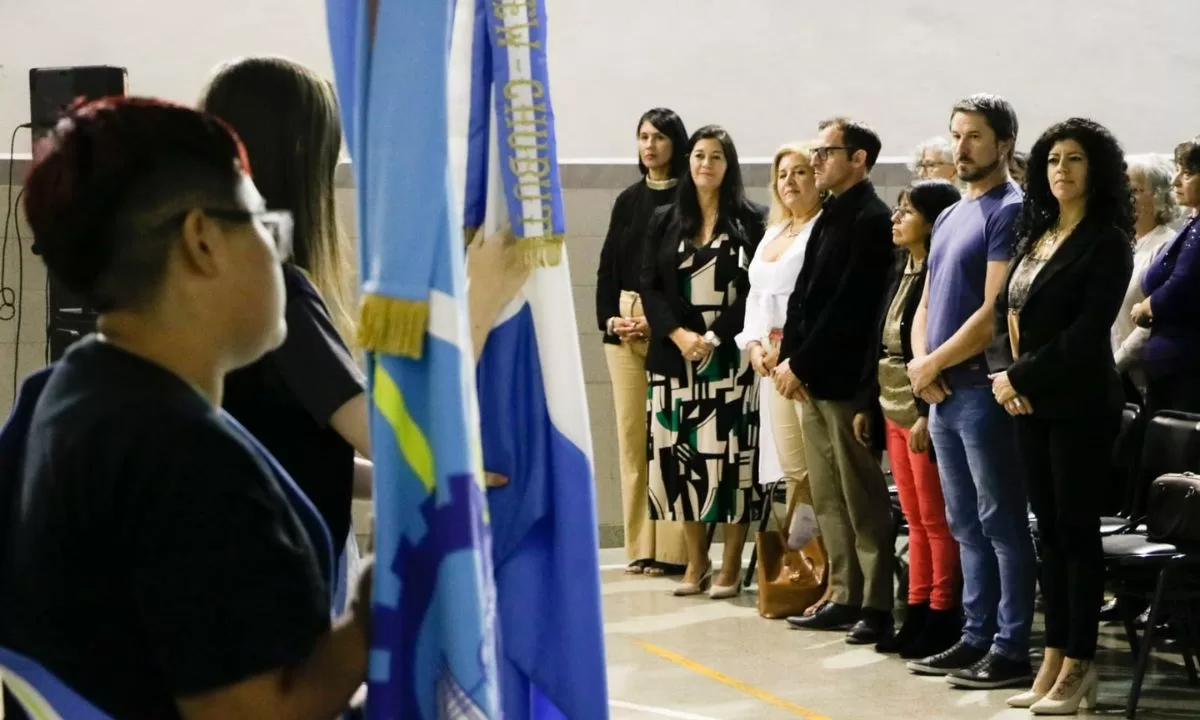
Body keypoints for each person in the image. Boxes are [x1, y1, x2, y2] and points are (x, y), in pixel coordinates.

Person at [0, 98, 368, 719]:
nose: (278, 254)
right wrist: (369, 617)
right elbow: (253, 713)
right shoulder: (187, 461)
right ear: (203, 240)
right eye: (264, 225)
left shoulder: (55, 396)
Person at [199, 56, 371, 611]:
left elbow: (280, 447)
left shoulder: (197, 279)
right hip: (285, 576)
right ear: (300, 155)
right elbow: (386, 438)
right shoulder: (276, 294)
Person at [988, 118, 1133, 714]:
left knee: (1075, 534)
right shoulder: (1039, 233)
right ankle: (1052, 657)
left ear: (1095, 169)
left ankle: (1080, 662)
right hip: (1028, 400)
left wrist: (1019, 377)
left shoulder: (1107, 241)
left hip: (1079, 403)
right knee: (1046, 533)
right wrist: (1005, 377)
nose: (1060, 170)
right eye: (1051, 159)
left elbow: (1085, 332)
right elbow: (1003, 312)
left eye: (1074, 159)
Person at [906, 94, 1036, 689]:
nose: (961, 147)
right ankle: (975, 635)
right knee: (963, 523)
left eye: (975, 136)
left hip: (983, 391)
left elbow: (993, 312)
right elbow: (926, 300)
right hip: (942, 393)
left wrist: (933, 362)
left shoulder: (1010, 210)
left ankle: (1011, 647)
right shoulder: (953, 214)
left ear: (1004, 143)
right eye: (956, 135)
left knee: (1001, 522)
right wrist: (921, 365)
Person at [774, 118, 896, 644]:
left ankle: (876, 602)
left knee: (861, 497)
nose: (817, 161)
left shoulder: (872, 219)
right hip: (812, 379)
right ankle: (843, 593)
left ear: (859, 159)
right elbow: (803, 297)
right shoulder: (829, 214)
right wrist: (789, 359)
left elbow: (851, 309)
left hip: (845, 381)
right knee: (827, 496)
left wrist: (800, 364)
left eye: (827, 152)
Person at [641, 124, 766, 599]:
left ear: (728, 166)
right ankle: (697, 562)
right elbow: (650, 286)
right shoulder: (664, 219)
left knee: (731, 464)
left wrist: (714, 336)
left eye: (716, 157)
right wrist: (679, 335)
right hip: (676, 360)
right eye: (698, 156)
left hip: (730, 360)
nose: (705, 164)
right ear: (687, 162)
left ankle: (730, 564)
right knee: (682, 463)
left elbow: (755, 291)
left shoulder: (751, 220)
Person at [861, 180, 963, 659]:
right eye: (897, 209)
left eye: (907, 211)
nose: (896, 218)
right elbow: (879, 343)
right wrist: (871, 406)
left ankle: (942, 612)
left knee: (936, 519)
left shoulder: (938, 275)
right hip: (891, 403)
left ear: (934, 220)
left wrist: (925, 413)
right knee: (915, 519)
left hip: (921, 407)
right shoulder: (900, 269)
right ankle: (916, 608)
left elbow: (932, 347)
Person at [596, 108, 690, 577]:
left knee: (668, 438)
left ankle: (673, 549)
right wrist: (611, 320)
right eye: (643, 137)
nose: (649, 146)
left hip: (666, 327)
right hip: (624, 325)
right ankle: (639, 545)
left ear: (677, 143)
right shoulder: (628, 200)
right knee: (633, 441)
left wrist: (660, 324)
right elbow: (607, 268)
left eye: (659, 137)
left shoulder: (691, 199)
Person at [733, 140, 825, 607]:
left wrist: (790, 353)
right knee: (791, 469)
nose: (790, 181)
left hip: (803, 359)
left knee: (814, 469)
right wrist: (752, 345)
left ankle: (825, 570)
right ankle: (805, 569)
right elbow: (755, 300)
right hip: (768, 362)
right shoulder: (773, 232)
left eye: (801, 172)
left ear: (818, 178)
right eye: (783, 174)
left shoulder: (820, 230)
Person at [1131, 136, 1200, 414]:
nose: (1176, 181)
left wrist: (1148, 305)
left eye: (1188, 173)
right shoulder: (1192, 224)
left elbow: (1183, 284)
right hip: (1169, 367)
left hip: (1185, 367)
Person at [1113, 154, 1179, 403]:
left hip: (1139, 378)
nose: (1127, 196)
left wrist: (1115, 365)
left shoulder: (1166, 245)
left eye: (1136, 190)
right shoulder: (1121, 242)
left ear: (1158, 196)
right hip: (1108, 372)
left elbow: (1153, 319)